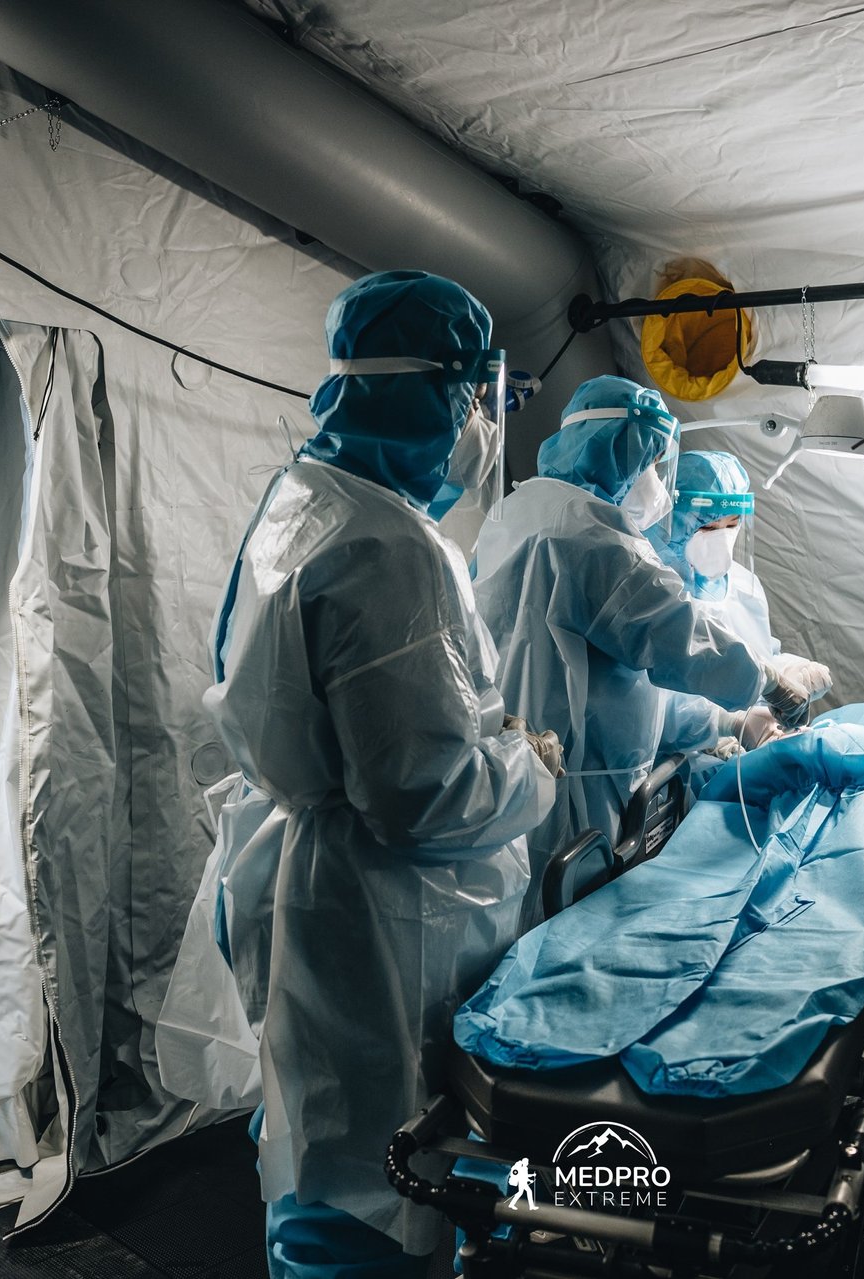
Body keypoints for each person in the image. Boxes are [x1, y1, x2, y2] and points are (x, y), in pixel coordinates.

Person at [201, 270, 560, 1279]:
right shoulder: (391, 547)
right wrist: (528, 768)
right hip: (377, 917)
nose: (480, 428)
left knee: (317, 1141)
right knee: (376, 1164)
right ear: (434, 395)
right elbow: (419, 793)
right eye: (474, 400)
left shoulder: (306, 498)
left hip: (304, 879)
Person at [473, 375, 820, 915]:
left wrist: (728, 723)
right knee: (564, 930)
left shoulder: (520, 511)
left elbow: (632, 673)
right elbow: (674, 637)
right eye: (653, 462)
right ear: (619, 451)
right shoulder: (591, 535)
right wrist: (766, 680)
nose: (657, 480)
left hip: (528, 767)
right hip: (580, 789)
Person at [647, 450, 832, 768]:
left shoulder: (743, 585)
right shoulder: (653, 590)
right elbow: (644, 705)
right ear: (672, 518)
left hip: (753, 754)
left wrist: (792, 670)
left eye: (732, 524)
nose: (722, 537)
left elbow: (760, 656)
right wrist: (727, 722)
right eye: (707, 527)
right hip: (680, 765)